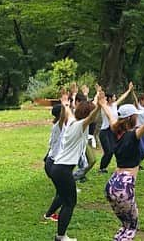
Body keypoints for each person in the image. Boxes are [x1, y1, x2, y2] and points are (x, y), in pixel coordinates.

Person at [99, 96, 144, 241]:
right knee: (132, 226)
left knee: (125, 224)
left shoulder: (115, 131)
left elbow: (110, 116)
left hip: (112, 184)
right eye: (135, 116)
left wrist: (103, 104)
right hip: (124, 185)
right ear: (130, 119)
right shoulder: (132, 135)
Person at [50, 92, 102, 241]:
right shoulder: (80, 125)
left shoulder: (72, 122)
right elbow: (91, 118)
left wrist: (66, 103)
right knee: (70, 203)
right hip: (63, 170)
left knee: (65, 199)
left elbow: (68, 112)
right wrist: (99, 106)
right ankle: (61, 236)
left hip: (57, 168)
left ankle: (59, 232)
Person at [98, 83, 133, 173]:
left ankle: (105, 168)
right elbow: (101, 102)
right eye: (113, 97)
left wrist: (129, 90)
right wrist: (99, 92)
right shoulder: (104, 107)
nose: (115, 98)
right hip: (105, 131)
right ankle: (102, 168)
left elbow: (122, 97)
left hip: (113, 131)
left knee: (114, 149)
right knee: (108, 151)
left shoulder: (114, 105)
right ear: (109, 99)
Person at [43, 101, 65, 222]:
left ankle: (51, 213)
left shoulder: (58, 124)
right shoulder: (59, 125)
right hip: (53, 164)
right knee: (63, 193)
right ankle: (49, 214)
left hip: (51, 162)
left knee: (61, 191)